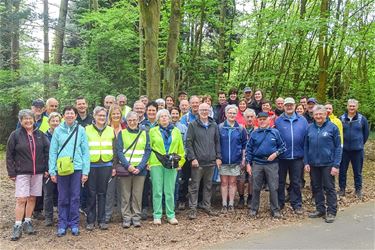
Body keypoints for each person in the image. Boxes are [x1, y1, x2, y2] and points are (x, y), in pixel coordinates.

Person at [6, 109, 50, 241]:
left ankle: (28, 221)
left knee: (32, 198)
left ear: (33, 120)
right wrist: (11, 172)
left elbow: (47, 152)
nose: (28, 121)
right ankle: (18, 225)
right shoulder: (15, 135)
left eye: (30, 118)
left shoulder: (40, 135)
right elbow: (9, 155)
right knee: (21, 198)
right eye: (25, 119)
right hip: (22, 172)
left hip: (38, 172)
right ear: (20, 121)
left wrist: (47, 168)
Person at [49, 106, 90, 237]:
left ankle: (74, 223)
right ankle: (62, 223)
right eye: (67, 113)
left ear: (76, 116)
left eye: (72, 113)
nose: (70, 116)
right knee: (62, 197)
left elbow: (85, 152)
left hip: (77, 168)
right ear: (63, 116)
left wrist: (85, 171)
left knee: (75, 197)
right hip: (61, 168)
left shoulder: (81, 130)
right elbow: (53, 151)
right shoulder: (58, 131)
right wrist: (52, 171)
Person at [304, 105, 342, 223]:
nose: (318, 116)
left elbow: (338, 147)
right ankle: (320, 209)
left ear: (325, 115)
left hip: (328, 163)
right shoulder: (310, 128)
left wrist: (336, 165)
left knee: (329, 188)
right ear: (313, 116)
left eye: (321, 114)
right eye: (316, 114)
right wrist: (306, 162)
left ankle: (331, 211)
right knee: (316, 187)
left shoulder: (333, 127)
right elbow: (306, 146)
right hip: (313, 163)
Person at [149, 109, 185, 225]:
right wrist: (148, 163)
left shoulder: (176, 131)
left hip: (172, 163)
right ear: (158, 120)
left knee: (169, 190)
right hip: (156, 163)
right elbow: (149, 148)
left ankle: (170, 215)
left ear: (169, 118)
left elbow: (181, 148)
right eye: (161, 117)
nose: (164, 118)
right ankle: (157, 215)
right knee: (157, 190)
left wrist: (181, 162)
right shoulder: (152, 131)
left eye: (166, 116)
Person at [246, 112, 286, 219]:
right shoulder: (254, 133)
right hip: (257, 163)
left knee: (273, 187)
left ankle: (275, 209)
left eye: (264, 119)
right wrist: (248, 164)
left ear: (269, 120)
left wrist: (275, 154)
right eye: (260, 119)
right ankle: (254, 209)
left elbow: (282, 147)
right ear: (257, 121)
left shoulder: (275, 132)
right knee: (255, 187)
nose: (262, 121)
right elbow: (249, 149)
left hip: (272, 164)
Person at [115, 111, 151, 228]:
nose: (132, 122)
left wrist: (140, 167)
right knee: (125, 195)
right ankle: (126, 217)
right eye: (129, 120)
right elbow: (119, 151)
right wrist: (128, 166)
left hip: (140, 170)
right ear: (126, 121)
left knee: (137, 195)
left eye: (134, 120)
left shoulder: (145, 133)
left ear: (138, 121)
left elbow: (147, 151)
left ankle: (136, 217)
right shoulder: (122, 133)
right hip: (126, 169)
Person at [187, 103, 222, 220]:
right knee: (194, 186)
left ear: (209, 111)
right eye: (202, 110)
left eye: (206, 110)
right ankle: (192, 209)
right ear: (198, 111)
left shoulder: (214, 125)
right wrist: (192, 158)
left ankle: (206, 206)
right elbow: (189, 143)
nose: (204, 112)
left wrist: (218, 157)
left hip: (211, 162)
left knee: (208, 186)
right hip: (198, 162)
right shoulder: (193, 125)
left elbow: (217, 142)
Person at [275, 97, 308, 215]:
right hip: (282, 157)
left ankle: (297, 204)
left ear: (295, 106)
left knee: (296, 182)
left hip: (298, 157)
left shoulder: (303, 120)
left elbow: (306, 139)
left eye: (291, 105)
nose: (289, 107)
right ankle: (279, 202)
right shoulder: (278, 121)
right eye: (287, 105)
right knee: (280, 181)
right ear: (283, 107)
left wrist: (306, 157)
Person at [85, 107, 116, 231]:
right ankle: (90, 220)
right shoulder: (86, 130)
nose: (102, 118)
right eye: (99, 116)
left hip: (106, 165)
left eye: (104, 116)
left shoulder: (110, 130)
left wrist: (114, 166)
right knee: (91, 193)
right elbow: (82, 149)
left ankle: (102, 220)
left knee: (103, 193)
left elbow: (115, 149)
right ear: (94, 116)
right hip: (91, 165)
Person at [218, 105, 247, 213]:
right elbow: (217, 143)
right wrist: (218, 157)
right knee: (224, 183)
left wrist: (243, 159)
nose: (232, 115)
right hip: (223, 160)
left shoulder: (240, 128)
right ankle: (224, 204)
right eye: (230, 113)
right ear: (226, 114)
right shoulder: (220, 127)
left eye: (234, 113)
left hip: (236, 160)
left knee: (233, 182)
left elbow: (244, 145)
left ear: (236, 115)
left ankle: (231, 204)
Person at [339, 99, 369, 198]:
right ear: (347, 106)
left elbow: (366, 134)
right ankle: (342, 189)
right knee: (342, 171)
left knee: (358, 171)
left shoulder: (362, 119)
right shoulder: (342, 118)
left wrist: (359, 143)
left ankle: (358, 190)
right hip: (344, 150)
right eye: (350, 106)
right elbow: (338, 133)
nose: (352, 108)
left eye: (353, 106)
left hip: (357, 150)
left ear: (357, 107)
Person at [104, 104, 124, 223]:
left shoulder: (125, 129)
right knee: (109, 191)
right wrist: (112, 166)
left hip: (123, 165)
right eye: (114, 114)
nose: (116, 116)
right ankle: (107, 214)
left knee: (122, 192)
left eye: (118, 114)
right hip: (109, 164)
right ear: (110, 115)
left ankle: (123, 214)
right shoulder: (106, 129)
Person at [140, 101, 159, 220]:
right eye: (149, 110)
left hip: (158, 160)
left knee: (157, 185)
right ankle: (144, 207)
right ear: (146, 112)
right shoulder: (142, 126)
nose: (151, 112)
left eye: (154, 110)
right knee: (145, 185)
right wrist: (145, 161)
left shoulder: (160, 124)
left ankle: (156, 207)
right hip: (145, 160)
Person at [44, 112, 62, 227]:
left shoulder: (63, 135)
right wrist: (46, 169)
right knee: (48, 194)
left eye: (57, 121)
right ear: (49, 122)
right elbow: (42, 154)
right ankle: (48, 217)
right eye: (53, 121)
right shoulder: (43, 136)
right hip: (47, 170)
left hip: (62, 169)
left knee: (62, 193)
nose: (55, 123)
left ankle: (61, 215)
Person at [237, 108, 257, 208]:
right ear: (244, 118)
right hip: (241, 159)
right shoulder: (240, 129)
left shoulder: (257, 130)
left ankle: (250, 197)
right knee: (240, 180)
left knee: (251, 179)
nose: (249, 119)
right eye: (247, 117)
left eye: (251, 117)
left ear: (254, 118)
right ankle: (241, 198)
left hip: (254, 160)